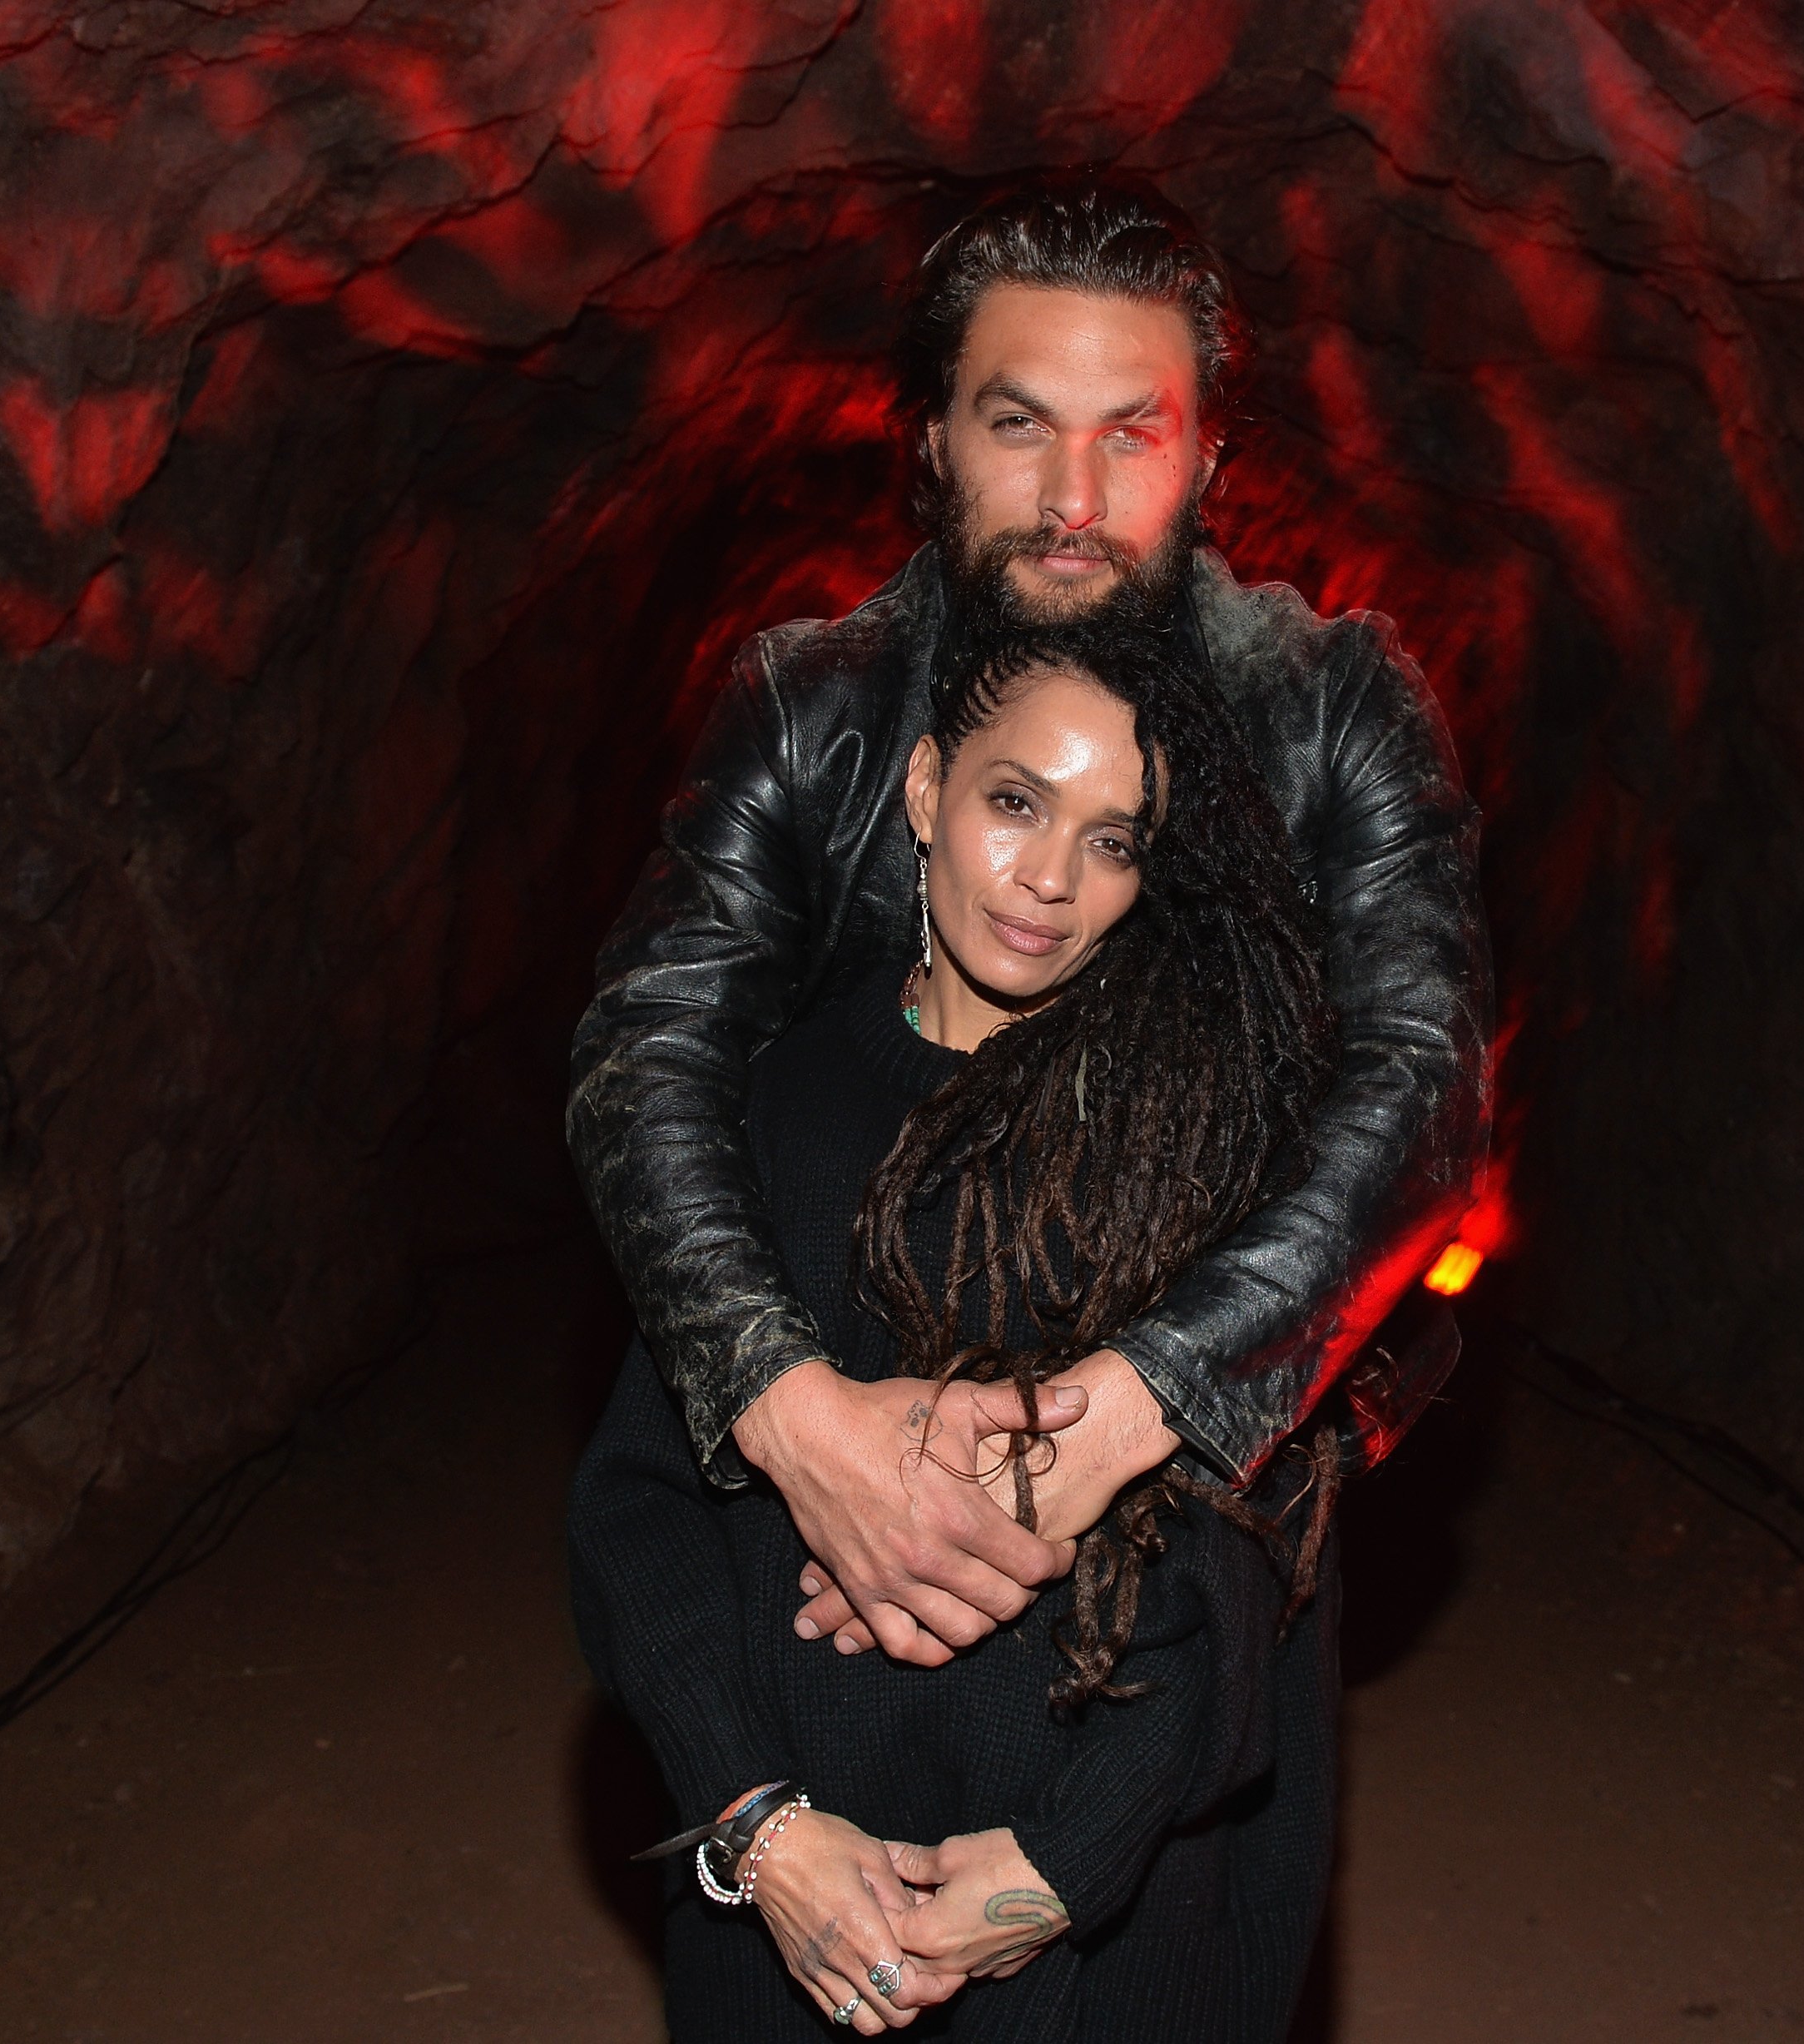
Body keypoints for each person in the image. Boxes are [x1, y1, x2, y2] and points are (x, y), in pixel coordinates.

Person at [563, 169, 1490, 1679]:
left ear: (1207, 462)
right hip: (850, 1479)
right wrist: (797, 1416)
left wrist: (1127, 1418)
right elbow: (651, 1049)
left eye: (1133, 432)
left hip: (1220, 1486)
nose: (1074, 498)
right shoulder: (816, 711)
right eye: (1019, 424)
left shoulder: (1337, 712)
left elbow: (1423, 1086)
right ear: (933, 445)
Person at [568, 618, 1353, 2037]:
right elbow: (642, 1515)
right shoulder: (761, 1107)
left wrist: (1061, 1867)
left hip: (1099, 1947)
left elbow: (1252, 1577)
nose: (1051, 881)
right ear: (926, 790)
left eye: (1115, 840)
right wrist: (763, 1831)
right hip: (791, 1931)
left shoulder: (1193, 1144)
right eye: (1015, 801)